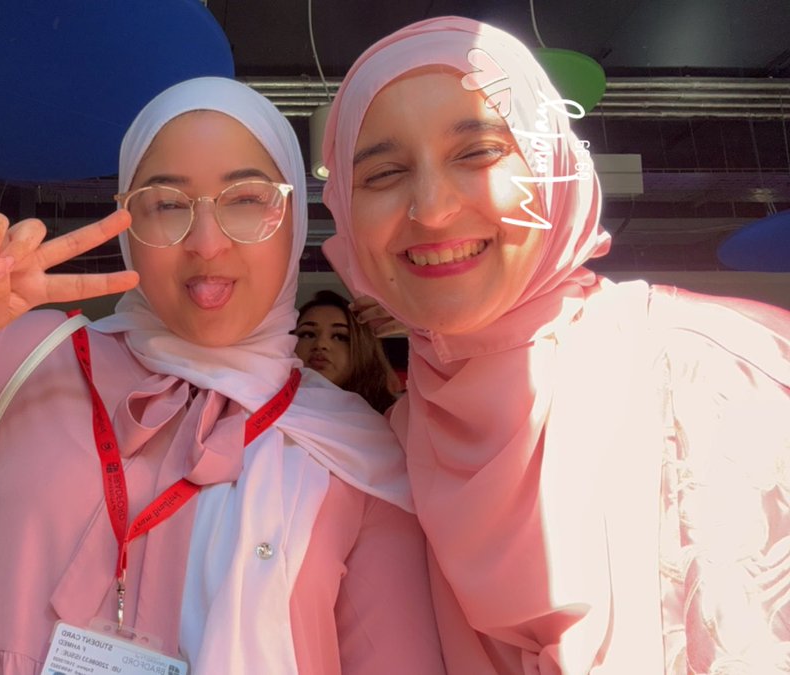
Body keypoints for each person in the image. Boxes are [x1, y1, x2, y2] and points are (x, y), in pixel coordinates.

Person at [0, 77, 444, 674]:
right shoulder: (19, 360)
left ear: (293, 220)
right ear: (127, 219)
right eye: (165, 204)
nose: (205, 242)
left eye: (247, 199)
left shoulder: (352, 451)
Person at [319, 16, 790, 675]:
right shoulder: (387, 453)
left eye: (479, 152)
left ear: (553, 170)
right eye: (384, 172)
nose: (430, 207)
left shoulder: (726, 374)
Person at [294, 289, 401, 412]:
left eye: (340, 337)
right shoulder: (270, 407)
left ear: (363, 348)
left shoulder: (395, 418)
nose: (321, 344)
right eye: (308, 334)